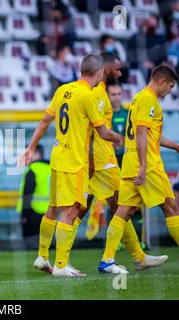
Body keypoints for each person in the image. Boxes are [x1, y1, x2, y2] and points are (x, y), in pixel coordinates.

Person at [20, 54, 124, 277]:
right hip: (75, 161)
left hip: (58, 156)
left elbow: (45, 121)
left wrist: (31, 148)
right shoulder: (88, 96)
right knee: (73, 209)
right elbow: (103, 132)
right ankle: (60, 264)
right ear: (98, 74)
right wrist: (119, 138)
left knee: (53, 208)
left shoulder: (62, 90)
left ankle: (42, 256)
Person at [98, 64, 179, 274]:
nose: (170, 91)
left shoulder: (138, 99)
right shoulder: (148, 100)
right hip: (148, 164)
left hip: (129, 162)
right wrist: (144, 166)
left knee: (123, 211)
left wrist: (176, 146)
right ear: (161, 81)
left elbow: (151, 134)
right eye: (170, 86)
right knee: (172, 207)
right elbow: (142, 133)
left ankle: (107, 260)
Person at [16, 144, 51, 250]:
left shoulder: (33, 170)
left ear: (36, 154)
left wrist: (24, 216)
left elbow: (27, 195)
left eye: (27, 154)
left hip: (33, 214)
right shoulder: (51, 169)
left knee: (32, 249)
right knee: (48, 247)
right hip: (52, 213)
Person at [107, 79, 129, 167]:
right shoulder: (103, 114)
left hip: (125, 157)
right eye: (113, 94)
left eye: (119, 94)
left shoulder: (128, 112)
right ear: (107, 95)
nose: (117, 97)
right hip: (109, 158)